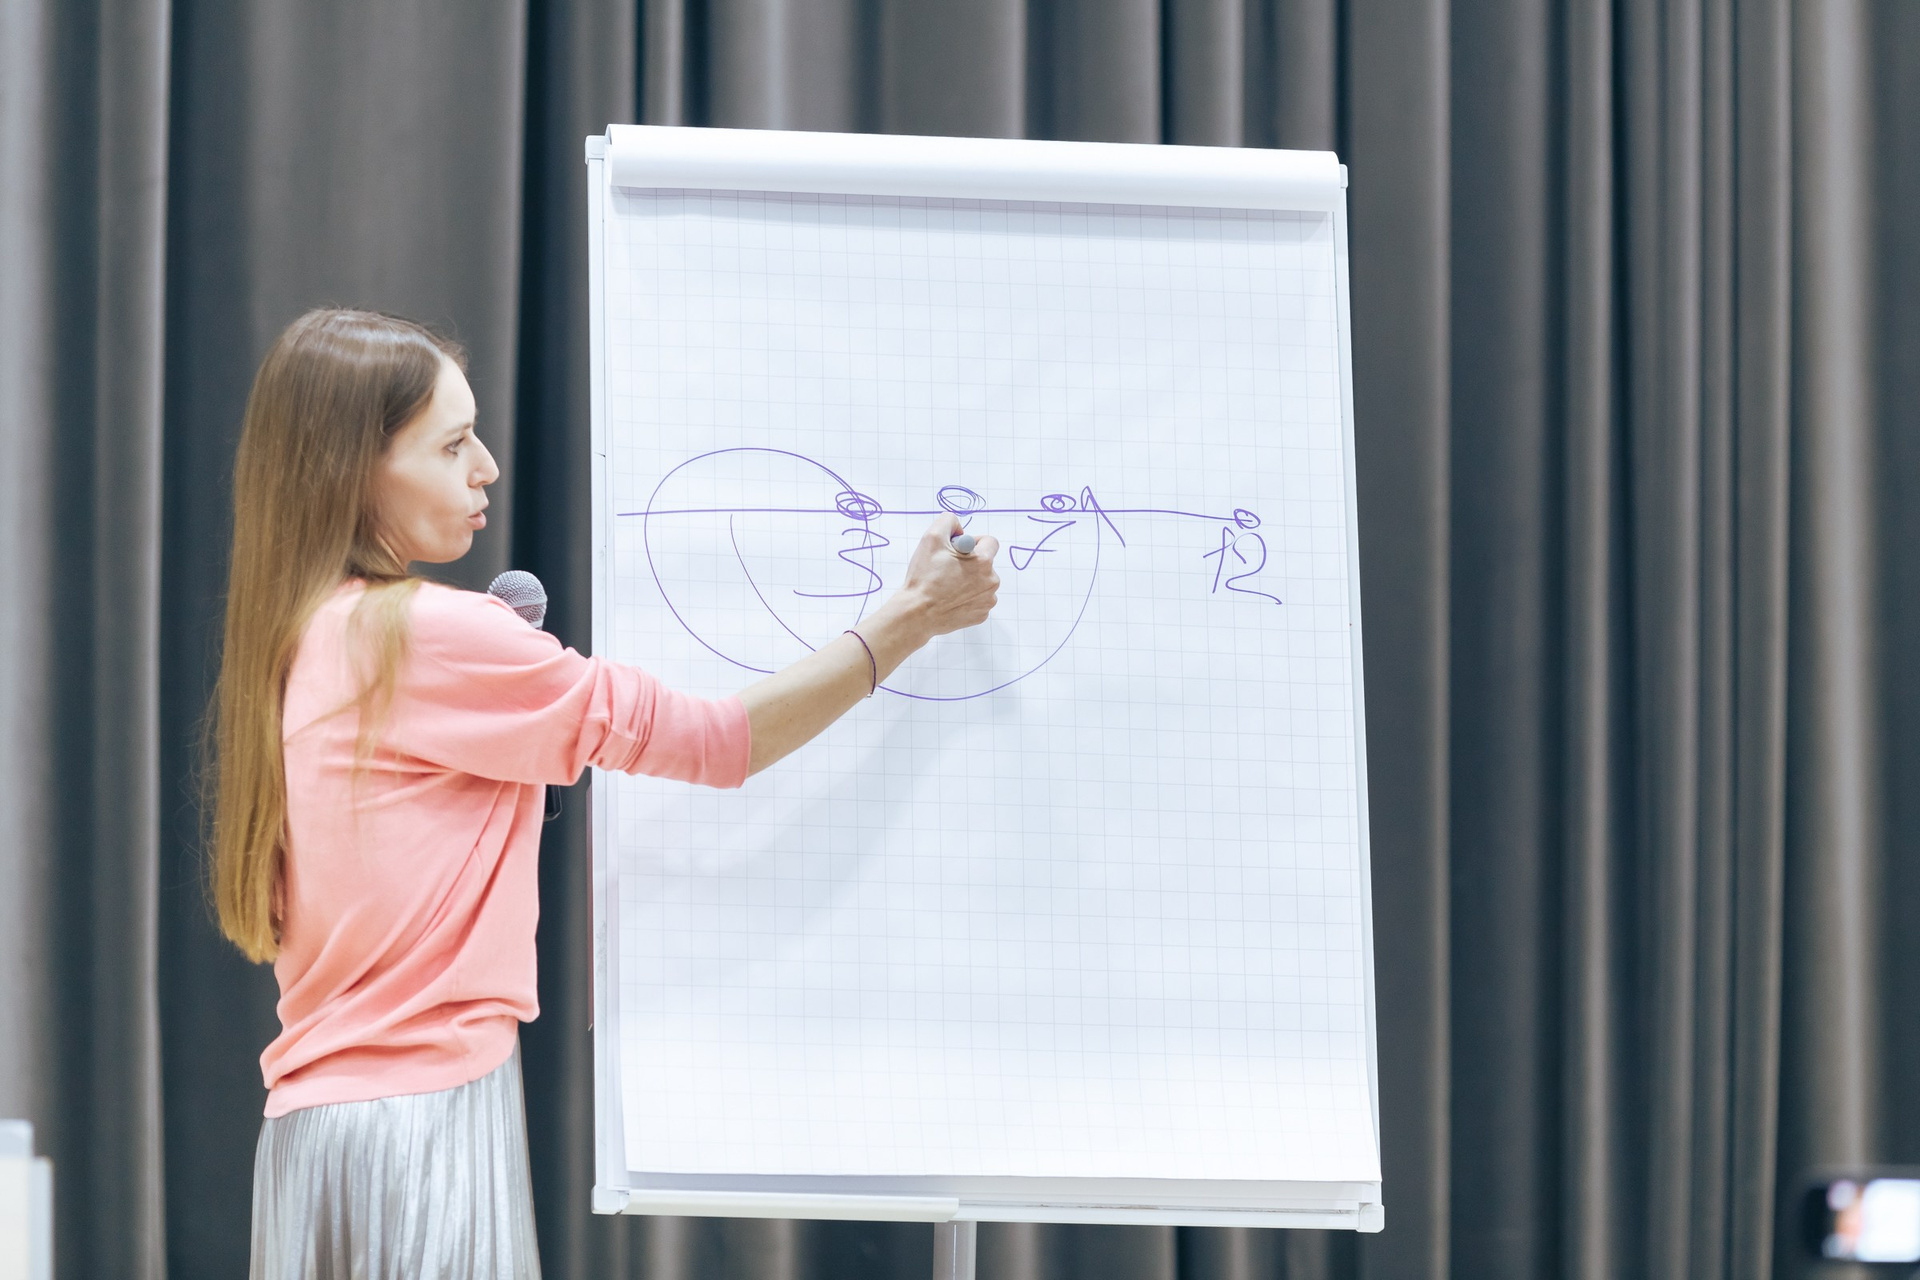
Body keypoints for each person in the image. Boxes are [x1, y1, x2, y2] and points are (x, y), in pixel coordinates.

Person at [206, 308, 1001, 1279]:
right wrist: (912, 617)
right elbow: (720, 740)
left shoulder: (301, 637)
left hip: (314, 1137)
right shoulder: (424, 634)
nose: (487, 467)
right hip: (418, 1125)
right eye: (452, 445)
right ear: (354, 471)